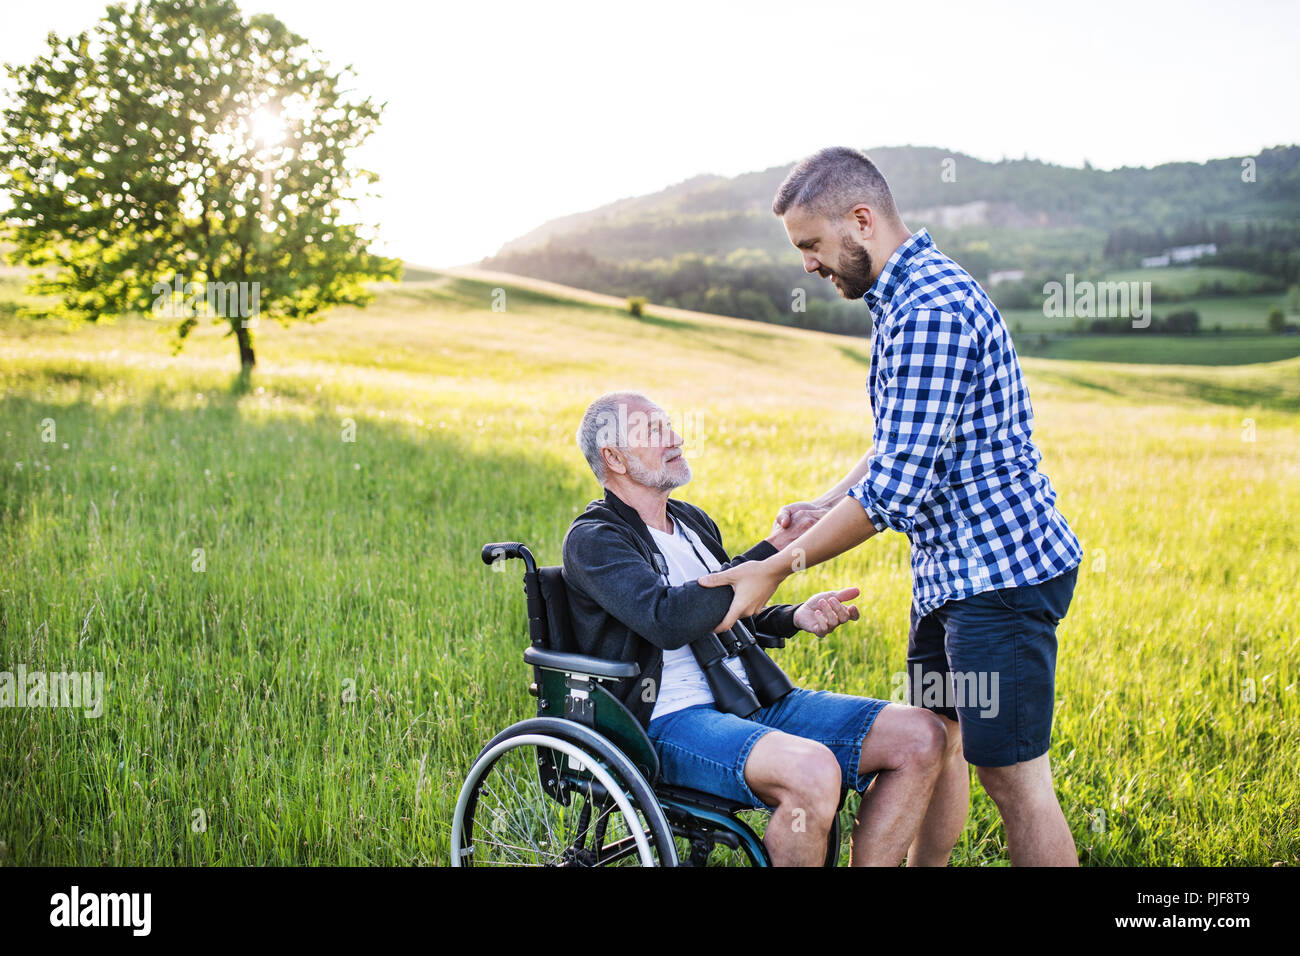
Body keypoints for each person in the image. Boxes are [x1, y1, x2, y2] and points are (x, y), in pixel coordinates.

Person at [700, 147, 1083, 867]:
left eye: (811, 245)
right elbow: (898, 445)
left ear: (862, 219)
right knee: (937, 739)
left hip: (999, 582)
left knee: (1012, 779)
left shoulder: (928, 309)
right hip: (952, 583)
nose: (808, 265)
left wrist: (777, 569)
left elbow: (898, 492)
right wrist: (824, 503)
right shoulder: (904, 301)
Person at [562, 390, 946, 866]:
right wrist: (771, 553)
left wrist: (793, 614)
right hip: (668, 723)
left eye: (670, 426)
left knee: (921, 735)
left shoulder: (690, 521)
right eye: (655, 431)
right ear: (613, 457)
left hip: (749, 702)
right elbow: (668, 619)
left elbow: (725, 613)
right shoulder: (595, 539)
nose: (677, 438)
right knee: (812, 772)